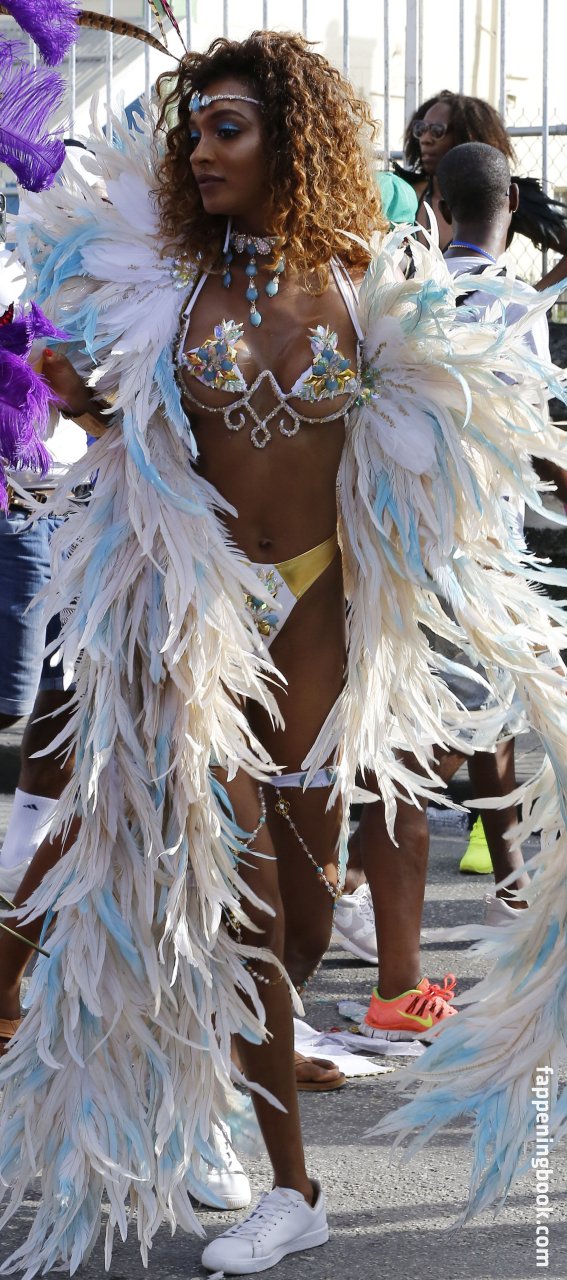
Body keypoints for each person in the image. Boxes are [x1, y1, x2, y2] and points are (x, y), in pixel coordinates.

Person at [1, 30, 567, 1278]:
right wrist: (76, 401)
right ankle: (294, 1187)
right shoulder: (168, 281)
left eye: (228, 130)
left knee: (305, 920)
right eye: (194, 131)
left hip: (316, 618)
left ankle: (221, 1072)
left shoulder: (366, 284)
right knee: (244, 900)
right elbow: (96, 402)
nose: (200, 152)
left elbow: (468, 428)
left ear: (289, 142)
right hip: (198, 618)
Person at [396, 89, 567, 290]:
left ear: (468, 135)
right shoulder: (402, 197)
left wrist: (533, 299)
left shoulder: (500, 196)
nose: (425, 139)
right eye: (421, 129)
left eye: (437, 130)